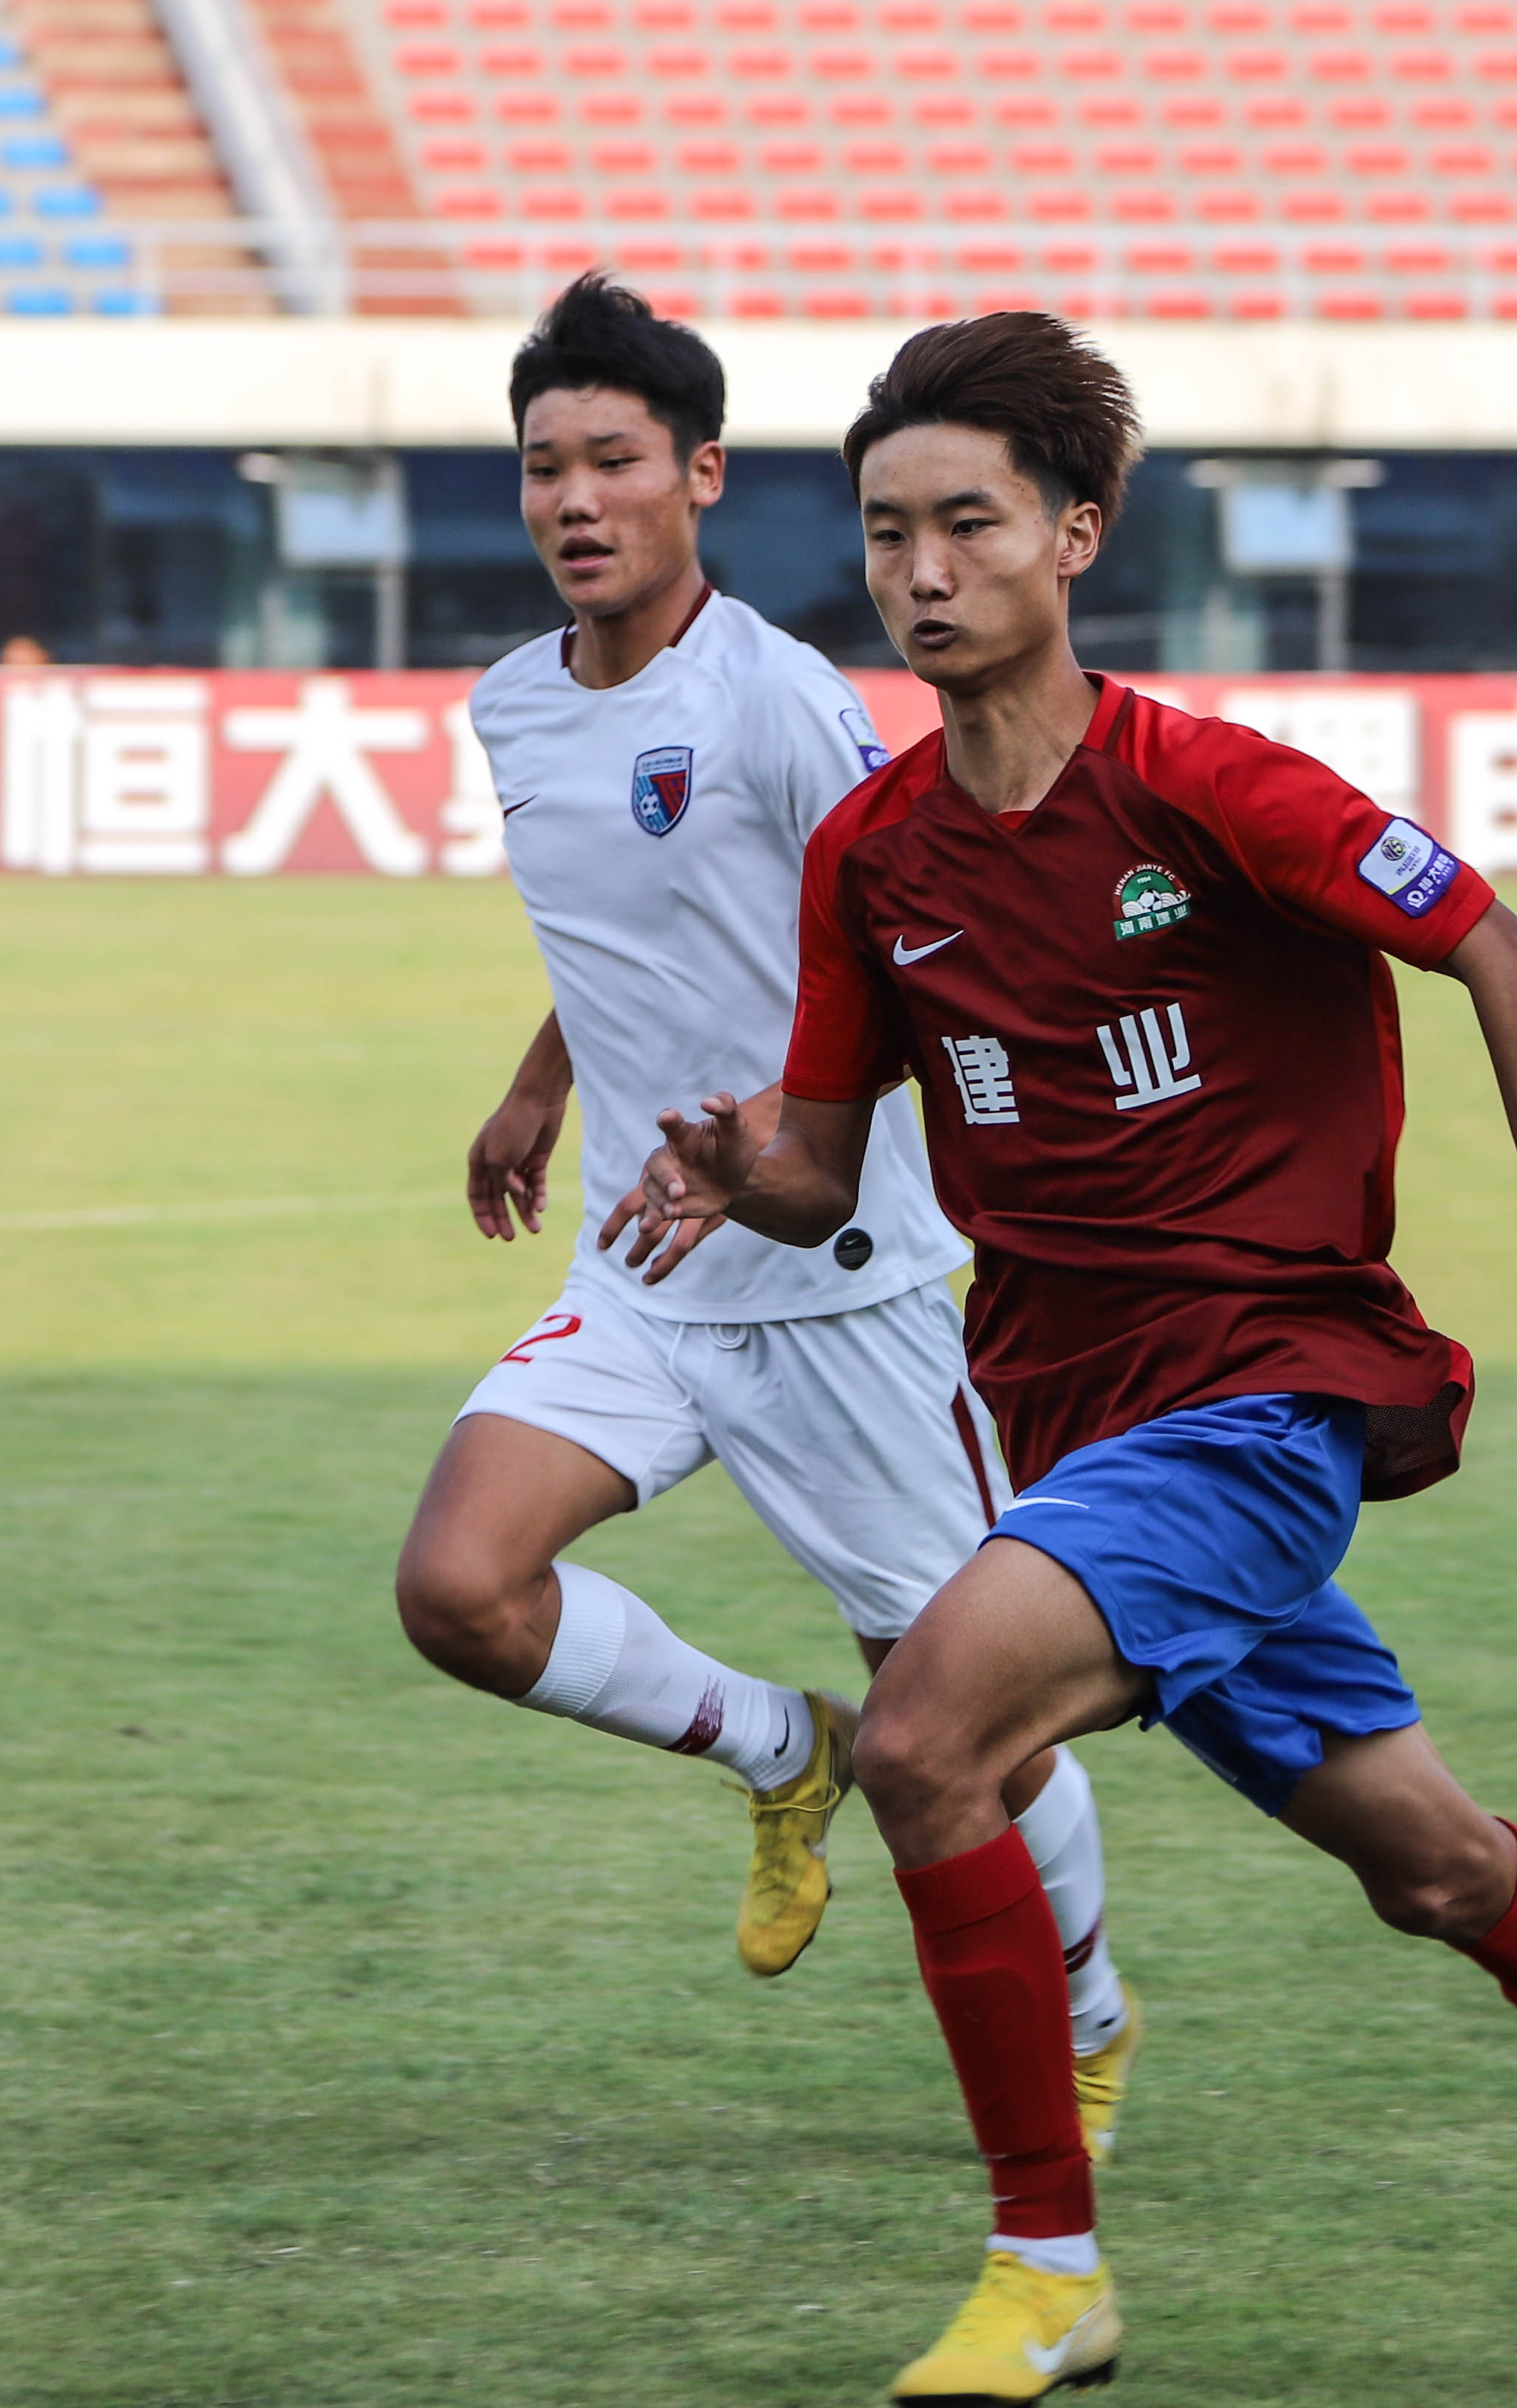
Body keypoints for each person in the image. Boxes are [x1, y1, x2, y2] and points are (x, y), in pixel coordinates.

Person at [620, 312, 1517, 2408]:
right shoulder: (871, 856)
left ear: (1073, 535)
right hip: (1073, 1435)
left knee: (920, 1738)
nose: (920, 570)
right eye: (885, 534)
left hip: (1264, 1395)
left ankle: (1041, 2264)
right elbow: (817, 1164)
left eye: (966, 523)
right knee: (1431, 1863)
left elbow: (1494, 942)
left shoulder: (1204, 785)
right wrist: (733, 1165)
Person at [392, 276, 1143, 2154]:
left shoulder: (777, 698)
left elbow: (905, 932)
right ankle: (768, 1747)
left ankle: (1093, 2016)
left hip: (843, 1285)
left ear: (697, 477)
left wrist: (779, 1132)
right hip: (642, 1276)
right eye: (541, 466)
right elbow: (629, 928)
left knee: (968, 1712)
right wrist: (536, 1087)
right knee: (460, 1590)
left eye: (613, 462)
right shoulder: (507, 706)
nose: (574, 498)